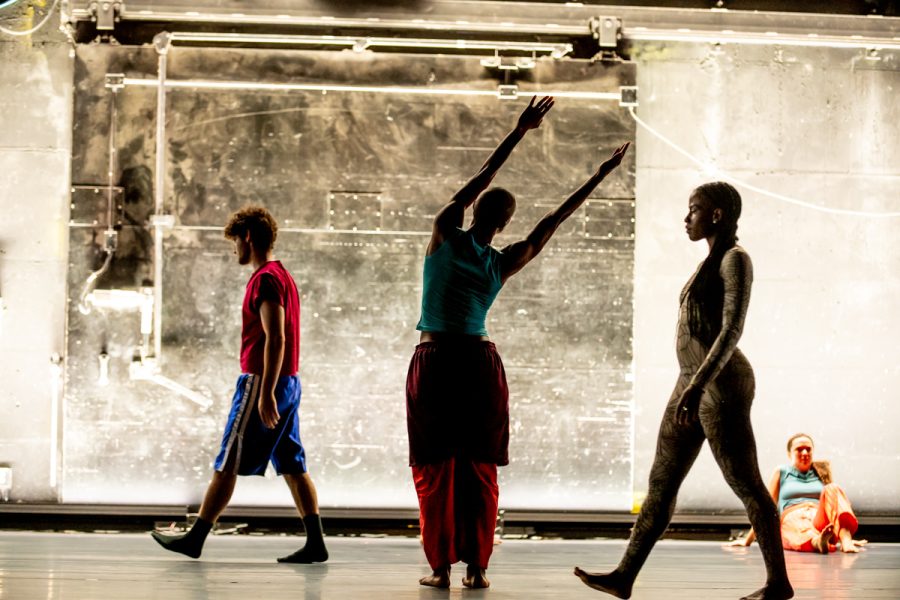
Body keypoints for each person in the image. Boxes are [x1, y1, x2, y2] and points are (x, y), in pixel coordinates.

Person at [407, 95, 629, 589]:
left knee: (434, 465)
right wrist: (598, 176)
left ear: (472, 208)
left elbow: (485, 174)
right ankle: (477, 570)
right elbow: (553, 222)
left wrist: (520, 130)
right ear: (504, 223)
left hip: (436, 359)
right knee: (479, 468)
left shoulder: (444, 233)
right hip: (480, 363)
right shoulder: (502, 263)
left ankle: (440, 567)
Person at [574, 182, 793, 600]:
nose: (686, 218)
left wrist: (699, 384)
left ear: (716, 215)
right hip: (691, 381)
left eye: (693, 210)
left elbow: (731, 329)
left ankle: (778, 584)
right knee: (661, 481)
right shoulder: (710, 261)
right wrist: (690, 384)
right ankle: (624, 577)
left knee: (745, 482)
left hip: (718, 384)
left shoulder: (735, 260)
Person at [151, 205, 328, 564]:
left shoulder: (264, 279)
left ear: (248, 237)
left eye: (235, 241)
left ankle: (195, 538)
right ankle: (316, 542)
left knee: (228, 457)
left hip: (264, 381)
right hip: (289, 382)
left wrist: (263, 394)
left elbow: (275, 338)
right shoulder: (283, 276)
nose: (234, 249)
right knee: (293, 463)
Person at [728, 433, 866, 553]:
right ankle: (818, 542)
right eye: (799, 449)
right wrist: (748, 540)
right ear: (789, 454)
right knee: (794, 527)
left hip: (818, 518)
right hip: (792, 519)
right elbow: (766, 508)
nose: (805, 453)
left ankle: (846, 540)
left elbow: (835, 506)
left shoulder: (821, 471)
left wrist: (843, 536)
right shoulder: (781, 472)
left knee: (833, 488)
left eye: (808, 449)